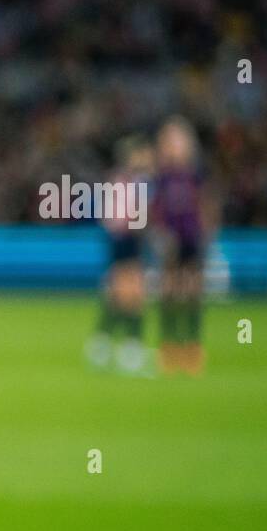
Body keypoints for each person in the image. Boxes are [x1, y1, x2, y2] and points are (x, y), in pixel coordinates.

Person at [85, 135, 155, 376]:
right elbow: (118, 217)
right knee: (129, 293)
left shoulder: (137, 181)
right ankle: (128, 347)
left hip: (129, 238)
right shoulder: (124, 181)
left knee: (123, 293)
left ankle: (105, 342)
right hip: (124, 238)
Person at [151, 116, 214, 376]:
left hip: (190, 238)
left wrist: (206, 231)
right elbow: (155, 208)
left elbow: (206, 203)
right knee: (169, 292)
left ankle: (192, 347)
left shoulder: (196, 174)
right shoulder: (160, 176)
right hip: (169, 240)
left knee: (191, 293)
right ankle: (168, 347)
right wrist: (157, 233)